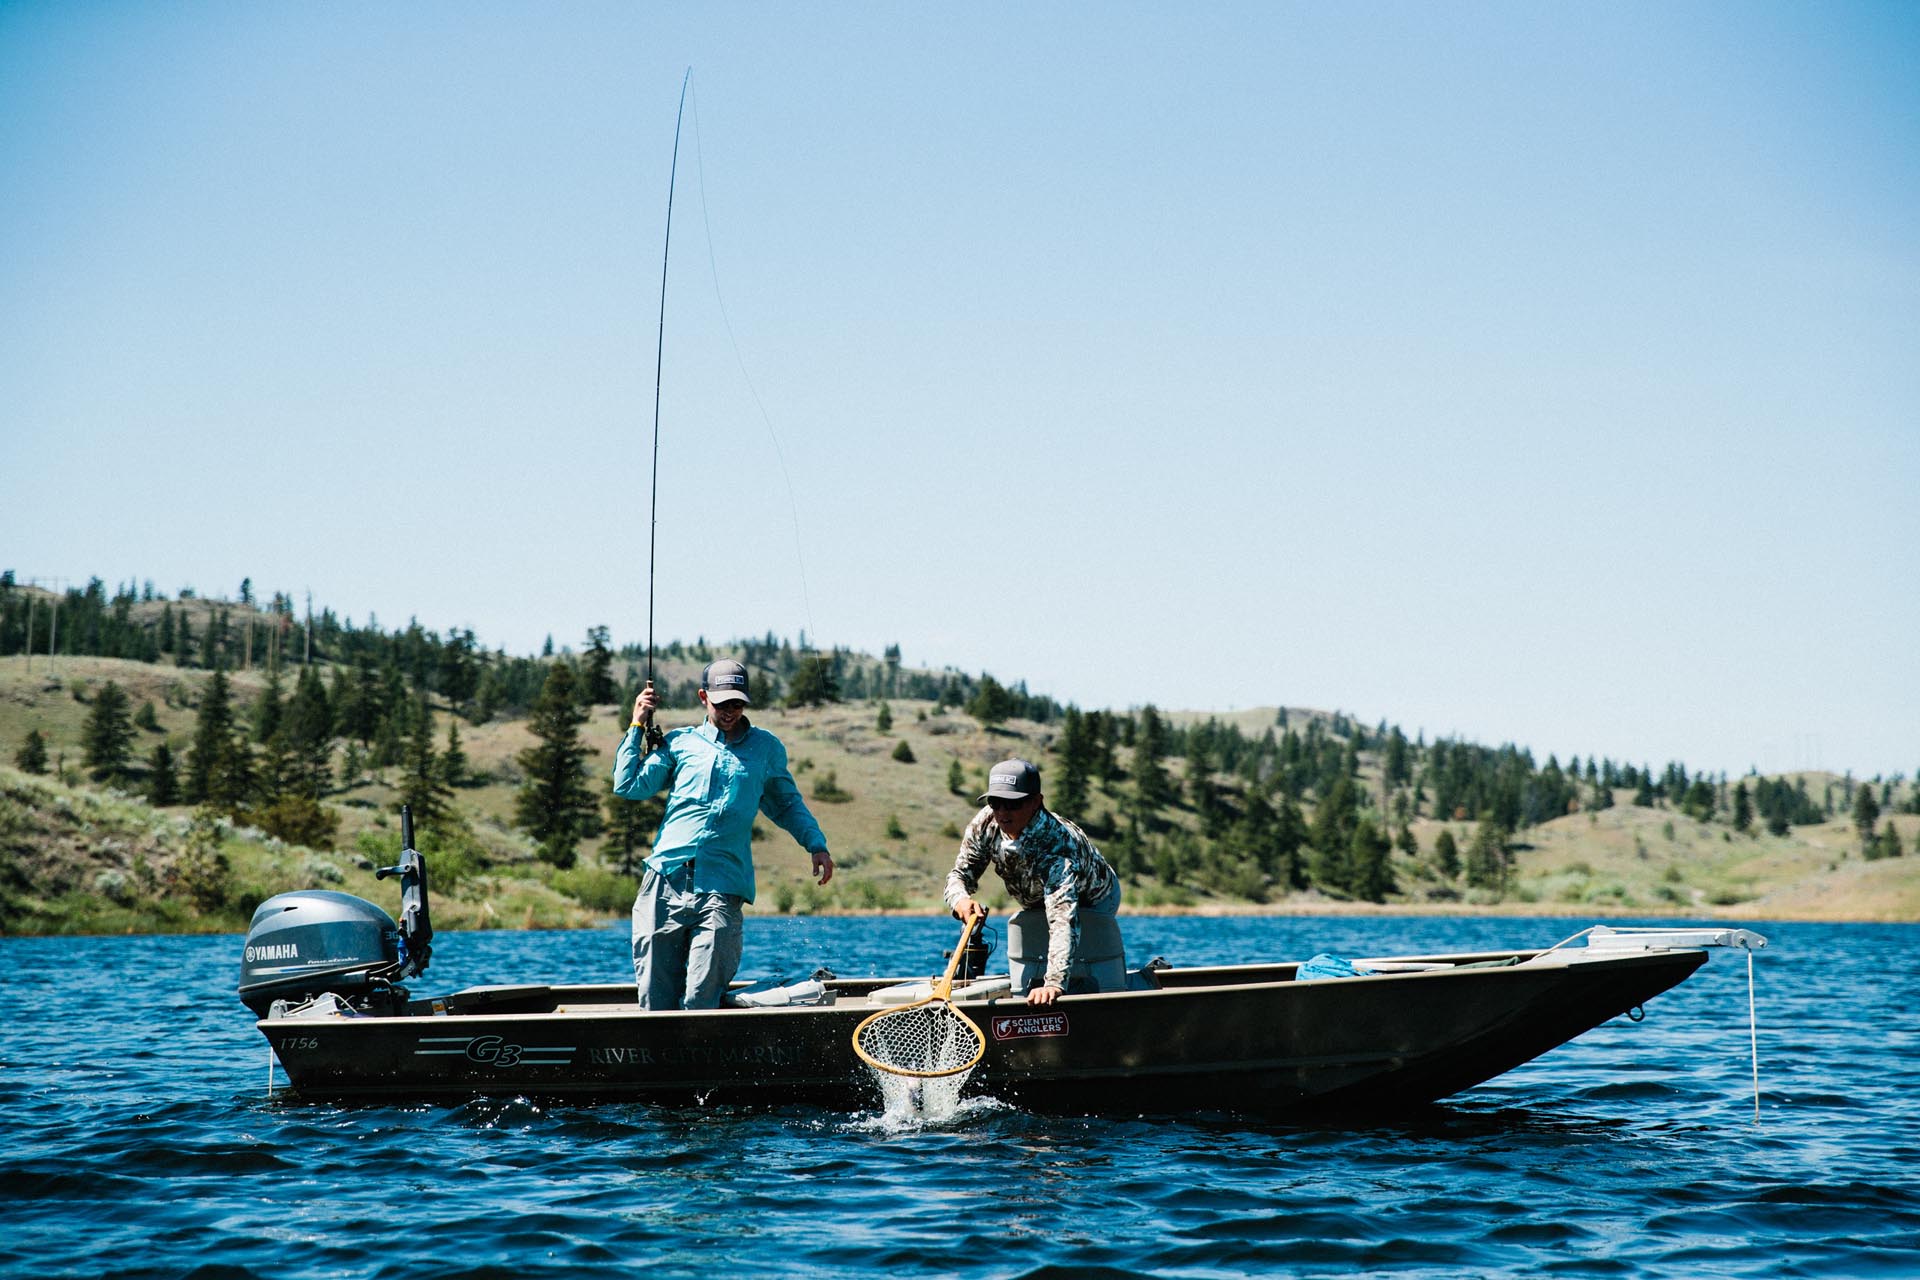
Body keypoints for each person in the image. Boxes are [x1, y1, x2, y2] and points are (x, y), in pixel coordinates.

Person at [613, 659, 833, 1009]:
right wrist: (637, 724)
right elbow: (628, 785)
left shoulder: (766, 748)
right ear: (704, 697)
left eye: (737, 703)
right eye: (721, 703)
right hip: (663, 882)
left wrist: (815, 844)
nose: (730, 711)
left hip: (723, 884)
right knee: (655, 997)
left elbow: (787, 804)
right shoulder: (679, 743)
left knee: (701, 998)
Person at [945, 757, 1124, 1006]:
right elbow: (959, 874)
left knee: (1082, 967)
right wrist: (960, 900)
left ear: (1036, 802)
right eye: (995, 802)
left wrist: (1053, 984)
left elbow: (1063, 920)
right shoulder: (985, 824)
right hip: (1036, 902)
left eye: (1013, 804)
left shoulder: (1057, 846)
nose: (1002, 812)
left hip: (1095, 900)